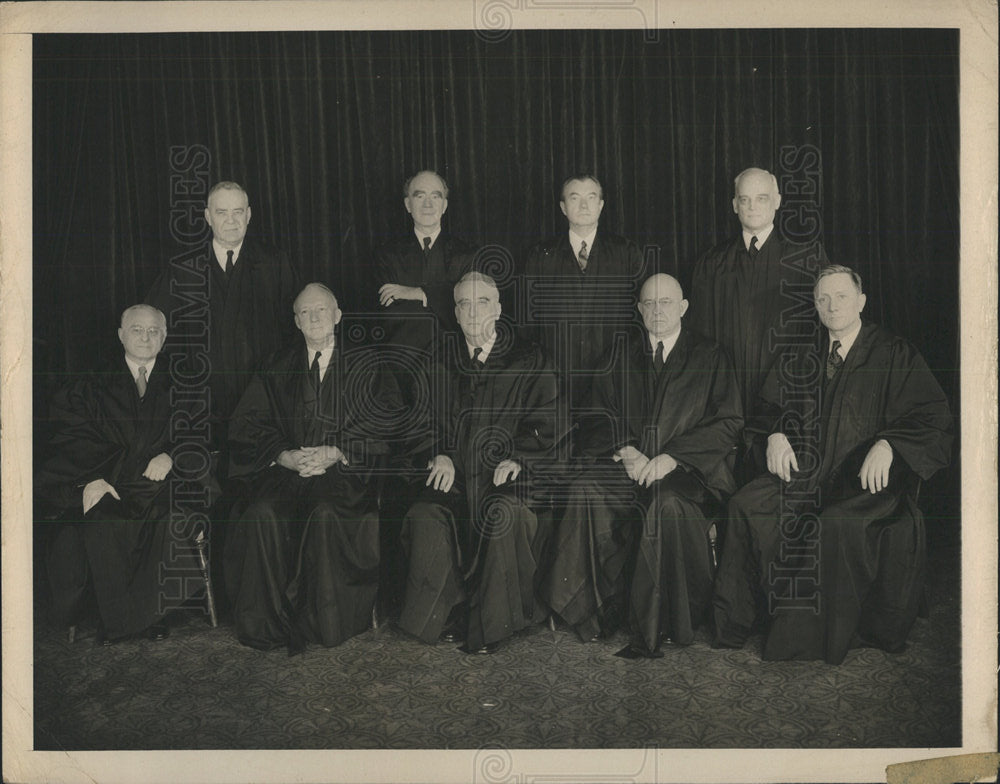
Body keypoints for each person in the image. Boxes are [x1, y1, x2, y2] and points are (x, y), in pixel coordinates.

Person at [711, 265, 953, 664]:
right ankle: (738, 624)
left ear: (861, 301)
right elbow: (765, 409)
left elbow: (933, 416)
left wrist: (891, 444)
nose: (832, 305)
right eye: (823, 299)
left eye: (841, 297)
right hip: (805, 473)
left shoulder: (892, 352)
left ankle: (804, 640)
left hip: (864, 484)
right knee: (745, 504)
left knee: (834, 525)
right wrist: (774, 435)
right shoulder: (800, 353)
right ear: (815, 306)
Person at [542, 274, 742, 657]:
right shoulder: (619, 353)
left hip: (687, 475)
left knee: (664, 504)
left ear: (683, 307)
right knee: (586, 489)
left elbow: (729, 422)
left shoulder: (710, 355)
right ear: (638, 310)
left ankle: (661, 621)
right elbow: (593, 412)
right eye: (649, 303)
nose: (657, 310)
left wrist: (674, 457)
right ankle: (594, 613)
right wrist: (626, 449)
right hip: (630, 468)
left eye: (665, 302)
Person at [223, 283, 404, 652]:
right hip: (287, 472)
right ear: (296, 321)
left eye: (321, 310)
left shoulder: (368, 363)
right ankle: (267, 624)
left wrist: (337, 451)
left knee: (325, 513)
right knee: (261, 513)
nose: (314, 317)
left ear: (337, 315)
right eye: (305, 312)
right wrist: (282, 454)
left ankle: (326, 621)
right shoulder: (276, 365)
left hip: (344, 473)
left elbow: (389, 418)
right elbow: (246, 424)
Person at [397, 272, 558, 655]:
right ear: (454, 312)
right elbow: (416, 420)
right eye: (464, 304)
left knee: (504, 512)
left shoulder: (529, 359)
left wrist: (518, 457)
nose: (473, 312)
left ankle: (493, 623)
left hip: (507, 476)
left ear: (499, 309)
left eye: (482, 302)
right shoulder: (437, 358)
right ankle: (446, 613)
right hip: (453, 476)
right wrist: (438, 453)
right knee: (425, 513)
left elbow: (550, 421)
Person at [36, 305, 203, 644]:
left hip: (162, 484)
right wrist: (93, 479)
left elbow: (204, 432)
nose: (145, 337)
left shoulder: (185, 382)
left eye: (154, 331)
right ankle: (128, 618)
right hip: (109, 482)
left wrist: (173, 455)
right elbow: (73, 438)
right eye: (137, 330)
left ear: (165, 336)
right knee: (102, 519)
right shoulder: (91, 383)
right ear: (121, 335)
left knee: (169, 519)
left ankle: (143, 616)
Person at [688, 167, 828, 480]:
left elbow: (816, 339)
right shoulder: (712, 263)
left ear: (777, 201)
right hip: (726, 395)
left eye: (761, 198)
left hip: (785, 401)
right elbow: (698, 341)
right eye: (745, 199)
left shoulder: (806, 261)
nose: (752, 206)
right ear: (734, 204)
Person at [146, 180, 299, 451]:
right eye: (221, 212)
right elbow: (153, 334)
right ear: (207, 216)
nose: (231, 221)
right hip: (202, 409)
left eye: (237, 212)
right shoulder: (183, 270)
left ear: (249, 215)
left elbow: (293, 332)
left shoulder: (275, 263)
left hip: (264, 405)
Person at [522, 174, 645, 418]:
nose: (584, 206)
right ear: (563, 207)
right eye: (575, 198)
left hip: (613, 377)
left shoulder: (626, 252)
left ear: (601, 205)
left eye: (591, 198)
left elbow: (640, 318)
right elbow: (527, 322)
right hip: (557, 376)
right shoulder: (541, 255)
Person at [375, 169, 477, 348]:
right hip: (403, 358)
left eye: (435, 197)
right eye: (420, 196)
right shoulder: (387, 255)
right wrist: (446, 295)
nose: (428, 204)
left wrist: (416, 293)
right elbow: (389, 314)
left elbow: (470, 308)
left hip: (454, 359)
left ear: (444, 206)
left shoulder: (467, 254)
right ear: (408, 204)